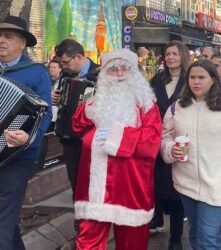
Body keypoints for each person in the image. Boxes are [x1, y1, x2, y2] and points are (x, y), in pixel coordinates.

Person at [71, 49, 162, 250]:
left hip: (131, 184)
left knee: (132, 243)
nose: (119, 74)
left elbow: (152, 141)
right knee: (88, 240)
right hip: (94, 186)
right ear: (104, 74)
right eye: (113, 69)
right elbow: (76, 127)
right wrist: (89, 113)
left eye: (124, 69)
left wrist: (116, 136)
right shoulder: (94, 102)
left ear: (134, 73)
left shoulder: (147, 105)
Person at [161, 59, 221, 249]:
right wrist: (171, 149)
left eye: (201, 77)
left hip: (218, 187)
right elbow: (165, 137)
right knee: (195, 235)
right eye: (192, 77)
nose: (196, 82)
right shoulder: (177, 107)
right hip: (186, 184)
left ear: (213, 79)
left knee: (208, 238)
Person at [0, 15, 52, 250]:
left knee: (3, 216)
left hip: (18, 155)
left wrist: (29, 138)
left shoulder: (36, 72)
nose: (2, 41)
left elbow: (45, 114)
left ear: (22, 43)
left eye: (8, 37)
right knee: (6, 219)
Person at [149, 40, 190, 250]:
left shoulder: (190, 79)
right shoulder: (157, 79)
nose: (170, 57)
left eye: (174, 53)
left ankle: (175, 238)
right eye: (167, 54)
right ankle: (156, 219)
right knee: (158, 186)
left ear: (182, 55)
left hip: (180, 140)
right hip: (157, 140)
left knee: (177, 193)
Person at [52, 39, 99, 194]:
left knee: (93, 183)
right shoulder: (66, 75)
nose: (63, 67)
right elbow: (64, 104)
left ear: (78, 56)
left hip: (92, 139)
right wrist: (56, 99)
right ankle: (79, 216)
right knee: (76, 182)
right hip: (70, 137)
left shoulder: (99, 73)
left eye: (66, 62)